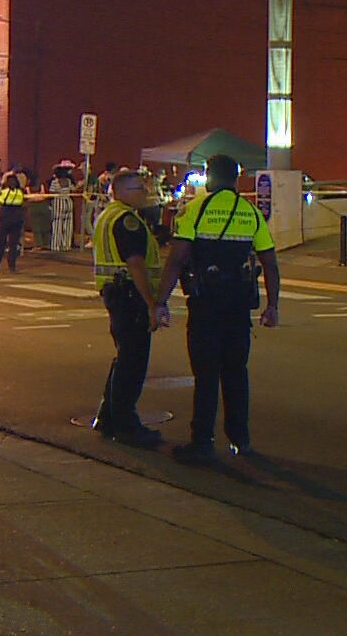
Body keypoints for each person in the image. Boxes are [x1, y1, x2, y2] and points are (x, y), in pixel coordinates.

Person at [156, 153, 280, 463]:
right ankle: (240, 439)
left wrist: (160, 302)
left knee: (206, 374)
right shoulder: (250, 213)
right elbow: (270, 262)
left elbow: (176, 260)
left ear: (210, 177)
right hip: (238, 306)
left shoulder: (195, 210)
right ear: (236, 179)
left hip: (205, 304)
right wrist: (272, 306)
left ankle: (202, 442)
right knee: (236, 372)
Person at [91, 170, 165, 447]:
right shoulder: (126, 220)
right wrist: (151, 303)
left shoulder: (108, 215)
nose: (144, 193)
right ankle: (126, 424)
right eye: (138, 189)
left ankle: (108, 416)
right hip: (129, 295)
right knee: (133, 361)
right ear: (121, 191)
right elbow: (135, 263)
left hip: (117, 292)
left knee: (124, 356)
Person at [0, 169, 27, 272]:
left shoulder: (4, 192)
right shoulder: (20, 192)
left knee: (0, 244)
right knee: (13, 245)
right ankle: (12, 267)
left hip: (5, 219)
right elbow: (24, 203)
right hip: (17, 220)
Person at [48, 164, 77, 251]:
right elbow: (74, 189)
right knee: (68, 225)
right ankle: (66, 245)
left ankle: (56, 245)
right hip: (68, 202)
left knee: (57, 225)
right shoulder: (68, 181)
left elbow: (51, 193)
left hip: (58, 203)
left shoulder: (55, 182)